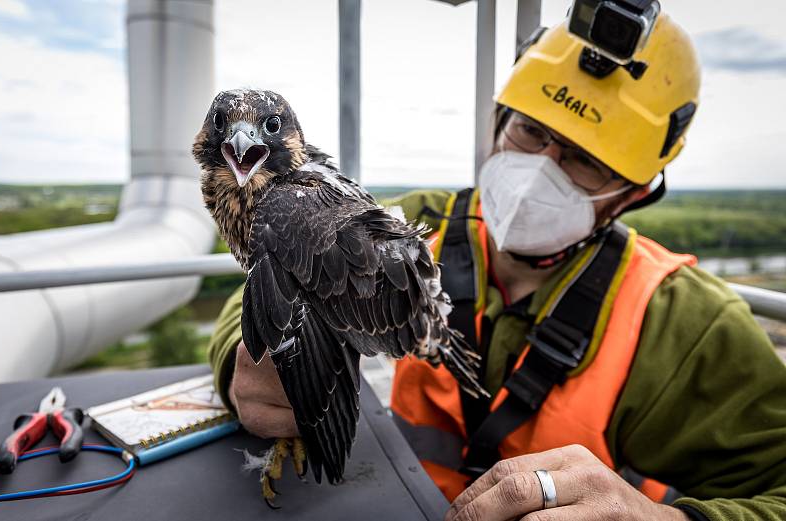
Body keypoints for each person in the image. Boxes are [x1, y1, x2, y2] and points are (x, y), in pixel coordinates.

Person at [206, 10, 786, 521]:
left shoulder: (690, 322)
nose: (540, 168)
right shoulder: (409, 222)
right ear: (500, 122)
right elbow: (265, 289)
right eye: (531, 131)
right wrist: (244, 358)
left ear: (631, 194)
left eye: (584, 161)